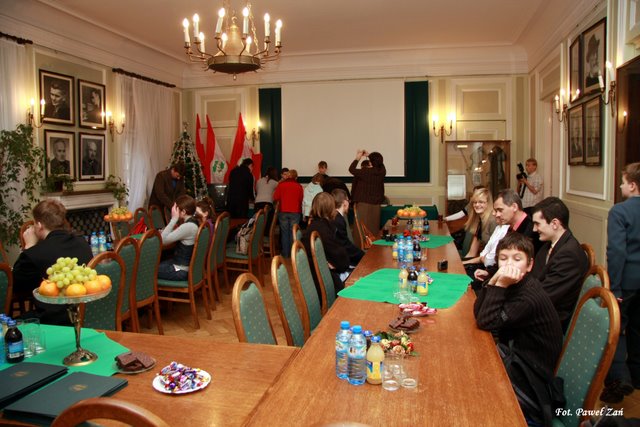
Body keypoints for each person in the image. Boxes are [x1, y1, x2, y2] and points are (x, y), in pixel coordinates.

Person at [474, 233, 563, 425]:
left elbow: (486, 322)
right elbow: (478, 313)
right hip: (517, 356)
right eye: (503, 258)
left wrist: (500, 284)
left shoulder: (527, 297)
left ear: (529, 265)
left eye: (517, 259)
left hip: (532, 375)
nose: (509, 265)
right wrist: (493, 281)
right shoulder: (515, 284)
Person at [12, 200, 93, 325]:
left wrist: (28, 247)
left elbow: (16, 286)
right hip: (86, 314)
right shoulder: (82, 242)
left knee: (9, 324)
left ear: (39, 225)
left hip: (54, 321)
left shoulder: (34, 253)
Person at [600, 162, 640, 404]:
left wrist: (613, 288)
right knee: (638, 328)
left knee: (616, 328)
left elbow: (616, 252)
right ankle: (637, 376)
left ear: (632, 185)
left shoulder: (620, 211)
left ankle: (619, 379)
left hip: (627, 281)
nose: (620, 186)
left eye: (623, 182)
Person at [531, 197, 589, 332]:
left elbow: (544, 297)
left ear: (555, 223)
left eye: (537, 224)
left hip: (550, 323)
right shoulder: (549, 245)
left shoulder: (569, 255)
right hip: (541, 308)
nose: (534, 229)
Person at [465, 189, 540, 284]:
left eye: (500, 210)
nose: (497, 214)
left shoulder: (531, 229)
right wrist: (489, 272)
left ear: (514, 207)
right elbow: (503, 258)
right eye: (496, 211)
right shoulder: (511, 227)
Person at [301, 192, 351, 298]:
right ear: (330, 209)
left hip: (314, 276)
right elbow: (342, 262)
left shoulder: (315, 225)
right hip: (325, 282)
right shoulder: (323, 230)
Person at [349, 150, 386, 246]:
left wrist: (358, 158)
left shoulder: (365, 172)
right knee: (374, 228)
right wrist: (371, 156)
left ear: (371, 162)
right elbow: (381, 165)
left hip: (363, 203)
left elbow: (351, 169)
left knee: (360, 228)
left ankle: (360, 247)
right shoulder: (382, 172)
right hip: (376, 204)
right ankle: (373, 248)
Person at [157, 195, 199, 281]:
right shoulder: (194, 222)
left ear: (183, 212)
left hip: (181, 270)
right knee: (155, 264)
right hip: (186, 266)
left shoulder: (188, 226)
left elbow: (162, 240)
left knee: (147, 270)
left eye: (176, 210)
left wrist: (174, 219)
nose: (174, 212)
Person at [273, 169, 303, 258]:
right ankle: (293, 254)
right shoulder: (299, 186)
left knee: (284, 233)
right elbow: (301, 199)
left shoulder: (281, 185)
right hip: (295, 212)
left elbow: (275, 197)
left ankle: (285, 254)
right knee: (293, 233)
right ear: (296, 177)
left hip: (283, 211)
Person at [332, 188, 364, 266]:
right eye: (348, 201)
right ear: (345, 203)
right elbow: (345, 246)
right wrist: (363, 255)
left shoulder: (335, 216)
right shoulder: (338, 220)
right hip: (340, 261)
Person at [462, 187, 496, 258]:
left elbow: (495, 253)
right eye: (475, 202)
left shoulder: (493, 220)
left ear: (488, 203)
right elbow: (472, 253)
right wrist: (462, 263)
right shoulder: (479, 220)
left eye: (481, 202)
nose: (477, 205)